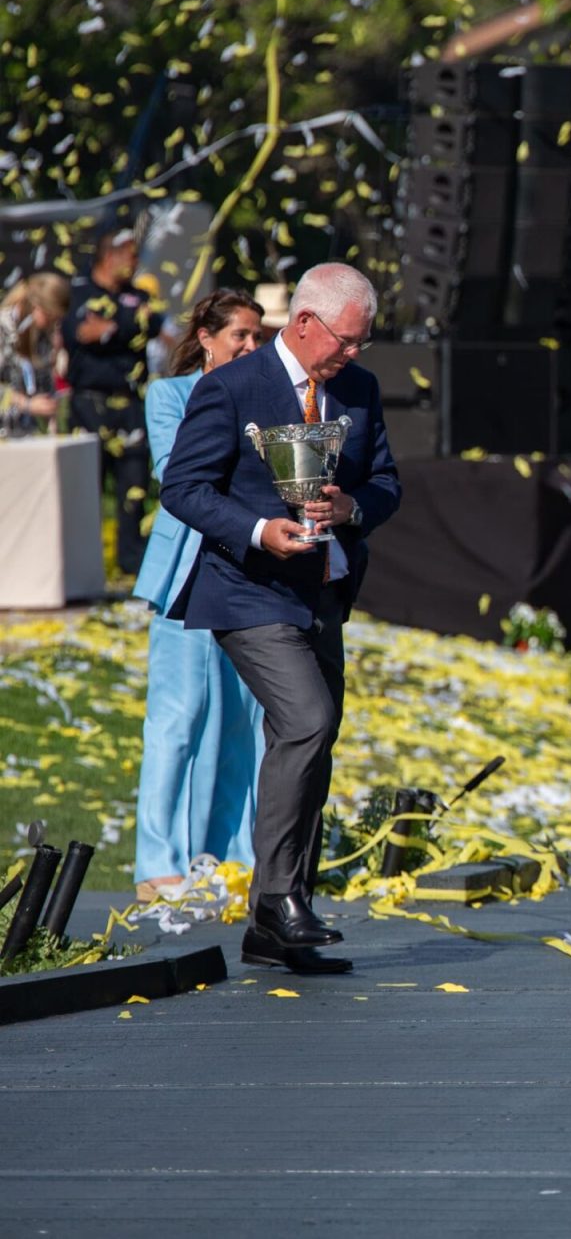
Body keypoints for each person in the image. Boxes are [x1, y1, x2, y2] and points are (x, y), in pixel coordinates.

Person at [159, 263, 401, 976]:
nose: (354, 354)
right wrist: (260, 530)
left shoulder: (358, 390)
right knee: (307, 721)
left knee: (312, 746)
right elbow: (184, 488)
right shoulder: (232, 387)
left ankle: (277, 926)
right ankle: (277, 900)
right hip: (248, 590)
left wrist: (353, 508)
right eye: (347, 340)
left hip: (323, 592)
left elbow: (385, 482)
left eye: (362, 342)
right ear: (303, 323)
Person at [131, 290, 267, 900]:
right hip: (186, 569)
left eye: (258, 337)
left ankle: (231, 856)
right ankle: (156, 861)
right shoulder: (169, 395)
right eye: (241, 334)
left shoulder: (266, 398)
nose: (251, 346)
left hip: (249, 571)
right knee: (180, 717)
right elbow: (173, 472)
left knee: (242, 720)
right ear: (207, 337)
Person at [62, 228, 161, 573]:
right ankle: (83, 566)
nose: (136, 264)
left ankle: (131, 563)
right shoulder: (78, 293)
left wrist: (111, 327)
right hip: (90, 404)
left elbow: (161, 329)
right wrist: (126, 327)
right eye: (131, 256)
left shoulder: (138, 296)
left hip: (131, 404)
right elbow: (83, 332)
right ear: (111, 256)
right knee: (86, 488)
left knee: (134, 485)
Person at [0, 272, 69, 435]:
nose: (53, 325)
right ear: (38, 307)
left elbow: (44, 387)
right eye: (51, 318)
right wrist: (26, 404)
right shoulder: (3, 328)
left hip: (25, 435)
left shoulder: (42, 337)